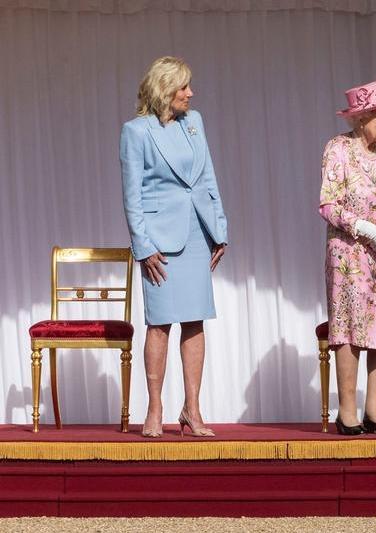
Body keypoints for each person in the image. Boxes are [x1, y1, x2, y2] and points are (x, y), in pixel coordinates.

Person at [120, 56, 228, 438]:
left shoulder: (194, 123)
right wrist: (143, 246)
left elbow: (207, 176)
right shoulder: (136, 132)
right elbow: (132, 196)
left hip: (197, 234)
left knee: (195, 320)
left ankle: (192, 410)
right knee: (160, 323)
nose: (190, 93)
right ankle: (154, 408)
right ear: (164, 90)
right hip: (159, 241)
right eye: (183, 87)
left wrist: (220, 228)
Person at [319, 79, 376, 436]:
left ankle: (375, 409)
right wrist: (366, 228)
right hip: (349, 253)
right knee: (346, 328)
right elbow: (328, 203)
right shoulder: (338, 149)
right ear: (360, 118)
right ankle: (347, 412)